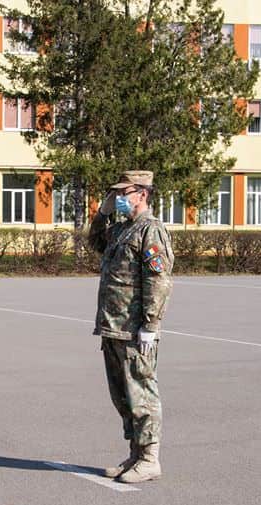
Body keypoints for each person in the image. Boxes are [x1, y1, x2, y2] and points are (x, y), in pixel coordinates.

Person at [88, 170, 174, 484]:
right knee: (123, 396)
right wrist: (103, 211)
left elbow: (158, 280)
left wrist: (151, 324)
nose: (119, 198)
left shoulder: (151, 230)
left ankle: (150, 458)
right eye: (117, 193)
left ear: (143, 193)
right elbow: (95, 241)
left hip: (135, 327)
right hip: (113, 326)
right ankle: (135, 454)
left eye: (124, 193)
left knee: (141, 392)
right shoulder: (123, 229)